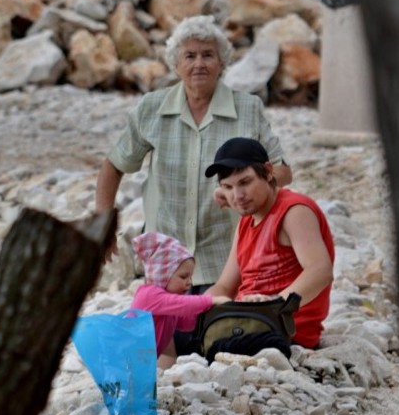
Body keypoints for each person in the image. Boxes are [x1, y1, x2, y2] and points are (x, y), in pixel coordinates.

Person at [95, 14, 293, 291]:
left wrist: (245, 184)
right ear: (176, 65)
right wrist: (103, 224)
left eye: (208, 55)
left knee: (223, 333)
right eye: (189, 56)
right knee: (170, 334)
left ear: (222, 63)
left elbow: (282, 172)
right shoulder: (152, 108)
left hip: (228, 262)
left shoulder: (248, 109)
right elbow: (114, 165)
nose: (199, 64)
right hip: (167, 263)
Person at [205, 137, 335, 351]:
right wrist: (192, 308)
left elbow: (320, 270)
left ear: (267, 171)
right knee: (167, 331)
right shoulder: (247, 220)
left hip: (285, 332)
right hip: (246, 323)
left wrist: (270, 306)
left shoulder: (294, 211)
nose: (237, 196)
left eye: (245, 182)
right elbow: (225, 286)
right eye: (227, 187)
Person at [130, 232, 230, 369]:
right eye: (183, 277)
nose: (189, 283)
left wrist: (207, 317)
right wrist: (211, 300)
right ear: (163, 274)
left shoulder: (166, 303)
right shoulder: (149, 294)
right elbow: (183, 304)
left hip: (141, 359)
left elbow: (185, 323)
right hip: (125, 356)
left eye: (190, 277)